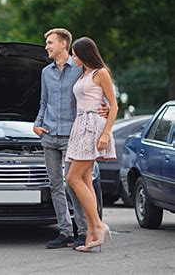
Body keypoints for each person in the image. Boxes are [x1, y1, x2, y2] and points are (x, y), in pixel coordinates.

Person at [34, 28, 107, 249]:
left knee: (73, 184)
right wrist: (37, 123)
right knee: (55, 185)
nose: (46, 46)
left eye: (50, 42)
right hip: (49, 135)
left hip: (73, 135)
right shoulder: (45, 72)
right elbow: (43, 102)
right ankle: (64, 231)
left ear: (63, 44)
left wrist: (105, 109)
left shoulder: (80, 69)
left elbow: (98, 94)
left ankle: (83, 230)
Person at [65, 37, 117, 252]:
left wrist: (105, 134)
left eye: (75, 54)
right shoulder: (83, 74)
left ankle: (98, 224)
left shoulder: (100, 73)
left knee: (72, 178)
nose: (73, 57)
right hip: (79, 125)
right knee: (85, 179)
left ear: (85, 54)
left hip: (93, 127)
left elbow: (113, 106)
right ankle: (92, 235)